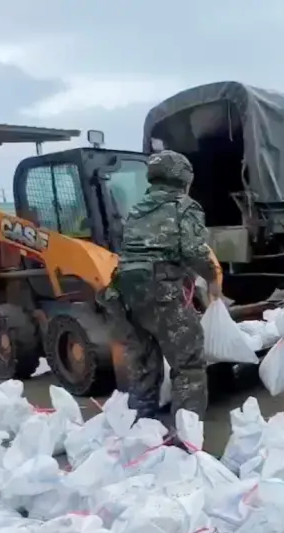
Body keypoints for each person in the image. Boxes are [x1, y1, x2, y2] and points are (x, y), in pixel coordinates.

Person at [103, 149, 222, 419]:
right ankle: (185, 440)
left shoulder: (136, 210)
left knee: (143, 365)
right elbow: (193, 250)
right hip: (162, 292)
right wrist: (213, 278)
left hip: (125, 294)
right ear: (183, 178)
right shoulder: (184, 206)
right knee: (189, 366)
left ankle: (139, 429)